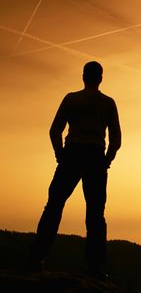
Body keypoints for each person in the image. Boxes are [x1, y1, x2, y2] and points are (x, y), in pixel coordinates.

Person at [27, 61, 121, 278]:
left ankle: (35, 258)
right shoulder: (108, 103)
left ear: (83, 76)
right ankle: (94, 267)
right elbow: (116, 138)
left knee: (53, 206)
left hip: (72, 154)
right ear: (101, 78)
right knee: (96, 214)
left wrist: (60, 154)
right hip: (95, 156)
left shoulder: (71, 99)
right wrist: (107, 159)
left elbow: (54, 130)